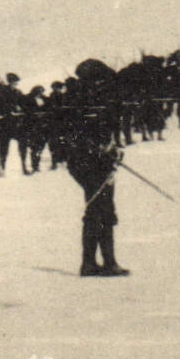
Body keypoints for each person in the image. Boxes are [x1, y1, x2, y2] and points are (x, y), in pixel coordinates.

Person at [63, 59, 128, 277]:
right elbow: (70, 133)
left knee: (100, 208)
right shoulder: (78, 99)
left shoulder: (96, 98)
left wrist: (113, 148)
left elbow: (106, 130)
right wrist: (96, 147)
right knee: (100, 207)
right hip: (86, 162)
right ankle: (101, 263)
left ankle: (93, 263)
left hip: (98, 161)